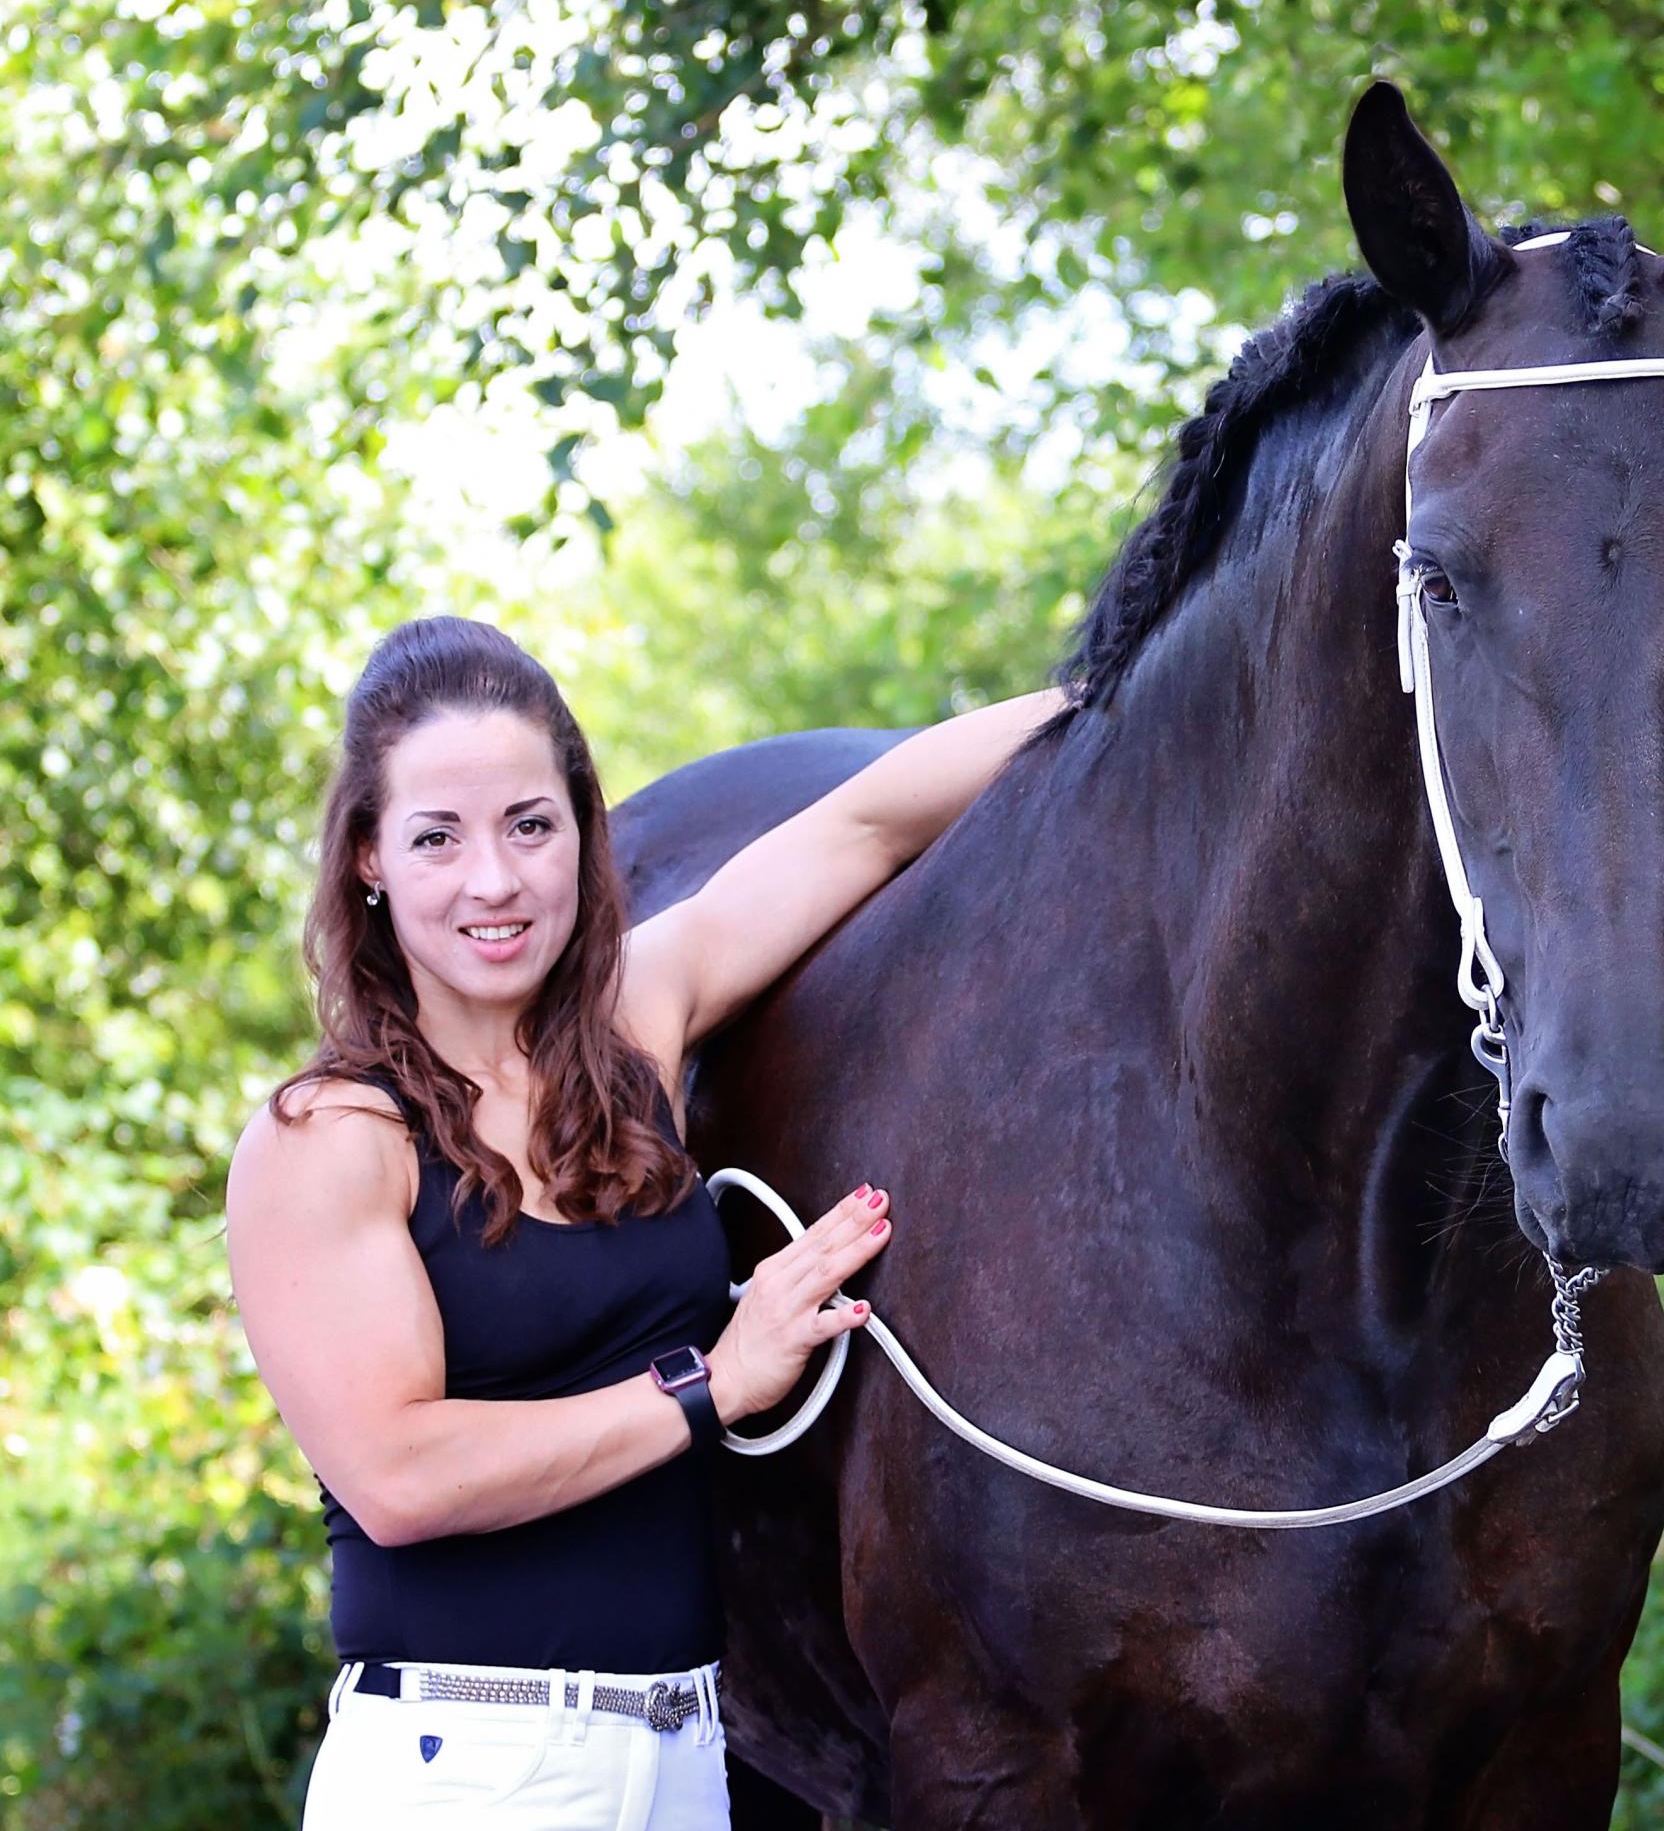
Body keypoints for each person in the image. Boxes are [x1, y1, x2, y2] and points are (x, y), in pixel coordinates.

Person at [224, 615, 1063, 1830]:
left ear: (581, 830)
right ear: (369, 857)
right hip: (463, 1767)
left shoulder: (640, 1018)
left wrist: (1147, 675)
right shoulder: (331, 1135)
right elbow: (399, 1476)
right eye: (436, 837)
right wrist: (710, 1384)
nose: (494, 880)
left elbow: (864, 824)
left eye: (530, 824)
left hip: (681, 1755)